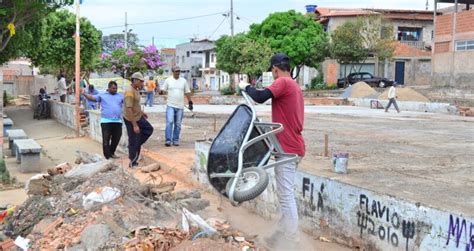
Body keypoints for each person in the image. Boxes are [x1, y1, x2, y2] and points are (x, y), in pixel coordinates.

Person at [239, 53, 305, 249]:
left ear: (275, 69)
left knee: (286, 195)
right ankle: (282, 234)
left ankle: (292, 239)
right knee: (285, 194)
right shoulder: (293, 84)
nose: (273, 75)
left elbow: (259, 97)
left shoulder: (283, 82)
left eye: (273, 71)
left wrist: (246, 87)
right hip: (290, 144)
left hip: (288, 147)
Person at [82, 81, 124, 159]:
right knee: (106, 139)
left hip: (117, 121)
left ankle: (112, 152)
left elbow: (128, 103)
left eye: (116, 88)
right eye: (113, 88)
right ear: (109, 88)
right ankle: (107, 156)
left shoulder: (120, 96)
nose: (115, 90)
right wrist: (85, 94)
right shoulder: (102, 95)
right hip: (106, 121)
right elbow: (92, 98)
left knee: (117, 138)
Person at [123, 72, 154, 168]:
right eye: (141, 81)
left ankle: (134, 145)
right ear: (135, 80)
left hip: (138, 116)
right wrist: (134, 125)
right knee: (134, 139)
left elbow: (135, 105)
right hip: (131, 118)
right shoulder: (129, 91)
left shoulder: (135, 89)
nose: (142, 83)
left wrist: (141, 113)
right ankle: (133, 162)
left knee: (149, 129)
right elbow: (129, 109)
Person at [162, 66, 193, 147]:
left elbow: (187, 92)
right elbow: (163, 91)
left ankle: (175, 140)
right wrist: (159, 90)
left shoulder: (183, 81)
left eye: (179, 71)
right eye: (176, 71)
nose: (178, 72)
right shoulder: (168, 80)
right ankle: (168, 140)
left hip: (180, 106)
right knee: (170, 122)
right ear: (172, 72)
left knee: (178, 124)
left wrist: (190, 102)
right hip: (170, 105)